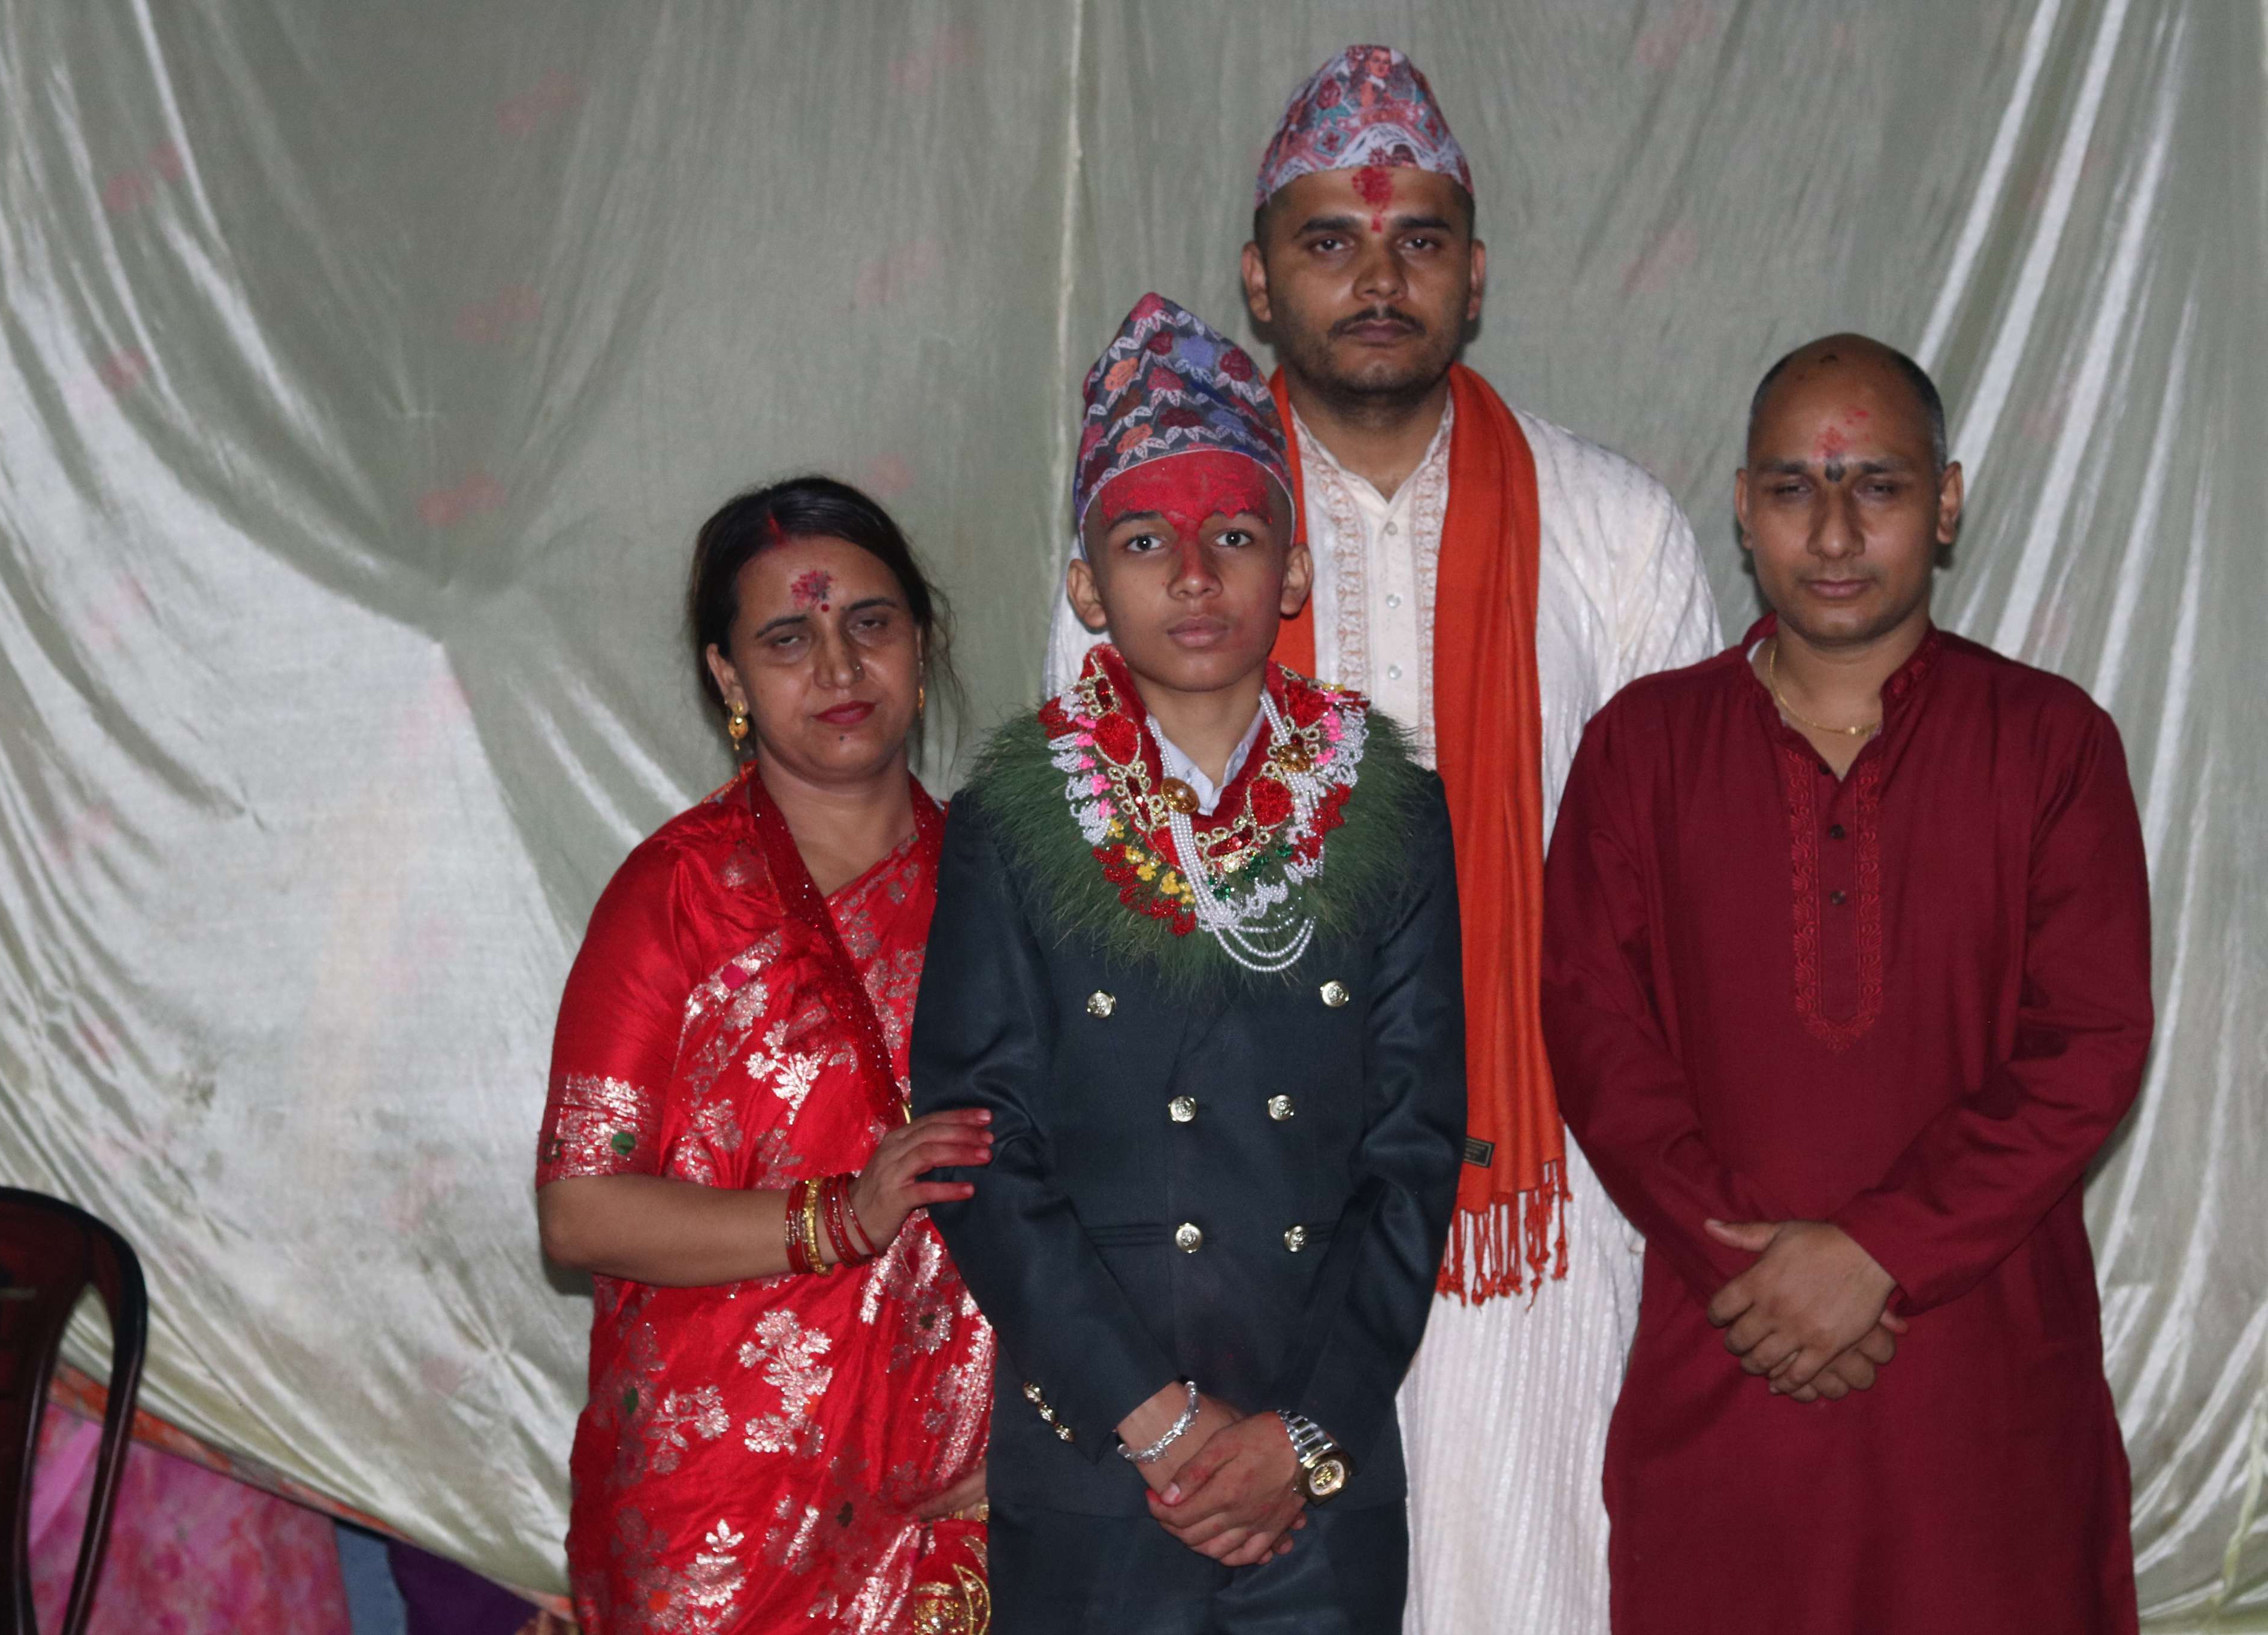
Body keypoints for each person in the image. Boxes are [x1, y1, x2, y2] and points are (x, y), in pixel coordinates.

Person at [1046, 44, 1721, 1633]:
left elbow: (1688, 897)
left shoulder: (1613, 529)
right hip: (1231, 1201)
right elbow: (1094, 888)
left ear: (1474, 278)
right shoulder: (1166, 539)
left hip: (1529, 1210)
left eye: (1419, 239)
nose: (1376, 276)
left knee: (1531, 1585)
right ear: (1257, 279)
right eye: (1329, 241)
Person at [1541, 334, 2149, 1631]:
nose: (1831, 533)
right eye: (1791, 489)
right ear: (1741, 507)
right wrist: (1758, 1273)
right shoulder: (1641, 751)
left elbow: (2089, 1045)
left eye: (1876, 486)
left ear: (1946, 502)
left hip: (1979, 1385)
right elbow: (1595, 1039)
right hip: (1731, 1363)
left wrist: (1880, 1251)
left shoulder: (2050, 744)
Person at [918, 292, 1467, 1632]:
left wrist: (1304, 1432)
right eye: (1143, 540)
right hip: (1097, 1471)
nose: (1194, 575)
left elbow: (1411, 1149)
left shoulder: (1387, 805)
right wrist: (1158, 1423)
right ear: (1086, 589)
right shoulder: (1017, 813)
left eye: (1233, 535)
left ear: (1293, 572)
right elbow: (979, 1153)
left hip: (1318, 1479)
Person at [536, 477, 994, 1634]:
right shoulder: (675, 898)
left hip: (959, 1505)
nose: (839, 667)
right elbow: (579, 1210)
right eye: (788, 639)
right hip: (723, 1522)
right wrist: (841, 1217)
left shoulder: (1006, 894)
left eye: (871, 623)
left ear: (921, 644)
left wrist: (1059, 1423)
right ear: (730, 678)